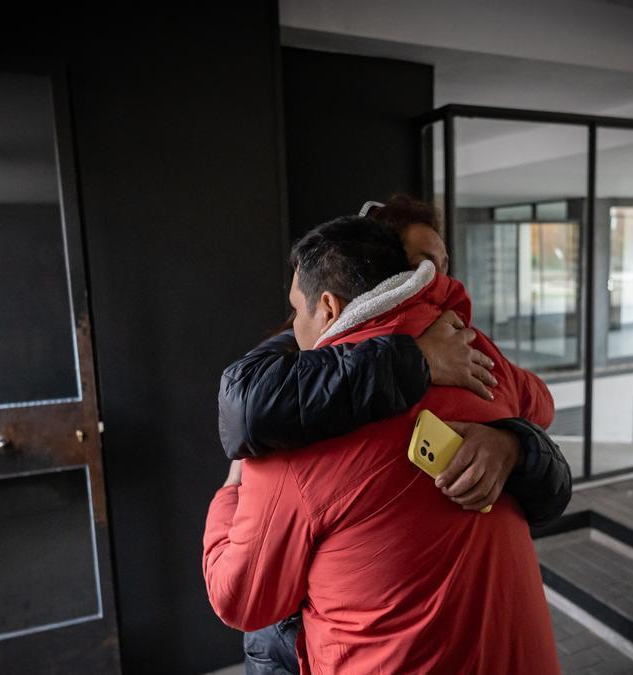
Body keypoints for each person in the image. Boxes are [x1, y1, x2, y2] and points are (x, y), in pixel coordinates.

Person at [217, 198, 571, 674]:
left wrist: (231, 491)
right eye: (422, 264)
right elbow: (541, 404)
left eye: (440, 266)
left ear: (328, 307)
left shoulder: (287, 443)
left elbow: (239, 599)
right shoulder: (472, 352)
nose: (436, 279)